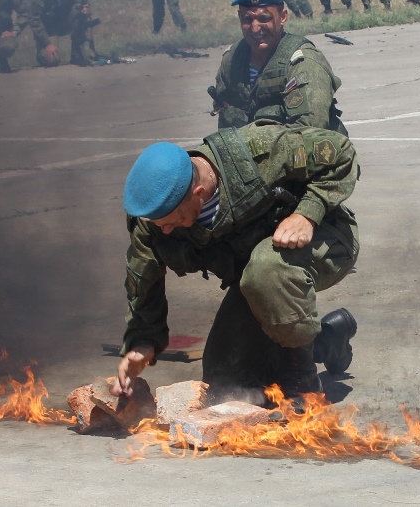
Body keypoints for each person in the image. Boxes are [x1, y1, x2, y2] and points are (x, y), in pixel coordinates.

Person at [112, 123, 360, 402]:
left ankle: (304, 383)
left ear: (198, 193)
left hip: (323, 242)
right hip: (255, 281)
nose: (167, 230)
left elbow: (341, 153)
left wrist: (307, 213)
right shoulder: (155, 221)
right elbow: (144, 280)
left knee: (267, 269)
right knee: (225, 384)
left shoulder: (260, 153)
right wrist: (141, 343)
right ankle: (328, 341)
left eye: (174, 221)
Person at [212, 0, 346, 134]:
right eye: (248, 19)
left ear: (282, 17)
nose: (255, 28)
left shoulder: (303, 62)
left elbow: (310, 132)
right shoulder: (231, 60)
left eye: (264, 18)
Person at [30, 0, 96, 67]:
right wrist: (47, 43)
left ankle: (77, 51)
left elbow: (83, 4)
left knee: (80, 16)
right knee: (52, 60)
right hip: (47, 29)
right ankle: (41, 52)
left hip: (64, 23)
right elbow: (35, 20)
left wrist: (85, 9)